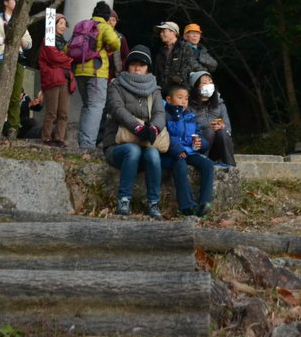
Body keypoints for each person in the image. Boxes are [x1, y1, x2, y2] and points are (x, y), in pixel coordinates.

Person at [100, 45, 165, 219]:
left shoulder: (155, 90)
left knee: (153, 154)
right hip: (118, 144)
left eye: (142, 65)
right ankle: (124, 199)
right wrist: (137, 127)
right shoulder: (116, 85)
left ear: (147, 68)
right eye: (134, 64)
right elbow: (117, 108)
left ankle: (153, 202)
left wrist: (154, 128)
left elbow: (160, 113)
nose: (137, 68)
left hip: (145, 144)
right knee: (132, 150)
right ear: (127, 65)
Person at [0, 0, 36, 138]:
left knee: (15, 95)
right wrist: (4, 39)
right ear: (6, 2)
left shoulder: (20, 21)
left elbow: (29, 43)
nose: (17, 1)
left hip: (17, 60)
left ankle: (13, 128)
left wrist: (21, 42)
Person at [73, 1, 123, 151]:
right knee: (96, 107)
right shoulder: (104, 27)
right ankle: (88, 145)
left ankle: (82, 141)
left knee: (87, 105)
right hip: (97, 71)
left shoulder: (82, 26)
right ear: (107, 16)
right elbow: (116, 43)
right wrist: (108, 49)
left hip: (79, 70)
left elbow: (68, 47)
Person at [161, 82, 215, 217]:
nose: (184, 101)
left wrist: (200, 144)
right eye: (179, 97)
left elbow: (200, 137)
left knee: (208, 164)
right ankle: (187, 205)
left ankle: (205, 203)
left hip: (189, 151)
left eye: (186, 98)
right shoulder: (163, 114)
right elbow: (163, 136)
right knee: (180, 162)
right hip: (171, 153)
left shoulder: (190, 116)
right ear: (168, 99)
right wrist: (177, 149)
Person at [38, 12, 74, 147]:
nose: (63, 26)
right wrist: (69, 60)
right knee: (52, 111)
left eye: (65, 24)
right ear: (53, 24)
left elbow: (60, 60)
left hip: (65, 78)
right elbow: (54, 58)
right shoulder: (48, 39)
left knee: (63, 112)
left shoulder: (65, 43)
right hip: (52, 78)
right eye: (60, 23)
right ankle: (46, 137)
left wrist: (65, 61)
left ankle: (59, 138)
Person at [188, 70, 236, 166]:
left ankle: (230, 165)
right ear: (196, 87)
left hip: (218, 147)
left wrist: (222, 126)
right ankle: (202, 163)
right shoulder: (189, 105)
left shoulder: (220, 104)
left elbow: (228, 128)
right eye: (204, 82)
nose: (209, 85)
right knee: (209, 131)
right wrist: (207, 126)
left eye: (210, 82)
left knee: (222, 131)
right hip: (200, 145)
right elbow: (187, 128)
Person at [153, 20, 187, 87]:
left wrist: (178, 79)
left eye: (163, 31)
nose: (161, 34)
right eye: (160, 32)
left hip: (179, 89)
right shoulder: (159, 50)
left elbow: (188, 67)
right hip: (160, 89)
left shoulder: (185, 47)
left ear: (173, 32)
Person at [107, 8, 131, 75]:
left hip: (115, 74)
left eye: (113, 20)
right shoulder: (99, 36)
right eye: (109, 20)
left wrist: (121, 66)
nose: (111, 23)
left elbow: (126, 56)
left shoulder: (120, 38)